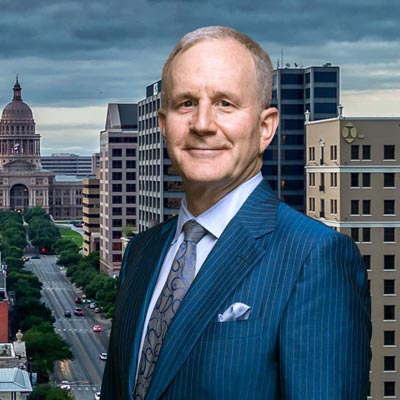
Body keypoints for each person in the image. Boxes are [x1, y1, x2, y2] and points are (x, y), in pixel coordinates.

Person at [101, 26, 371, 400]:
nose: (202, 124)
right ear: (163, 126)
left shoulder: (315, 257)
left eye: (225, 103)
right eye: (186, 104)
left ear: (265, 128)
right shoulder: (141, 253)